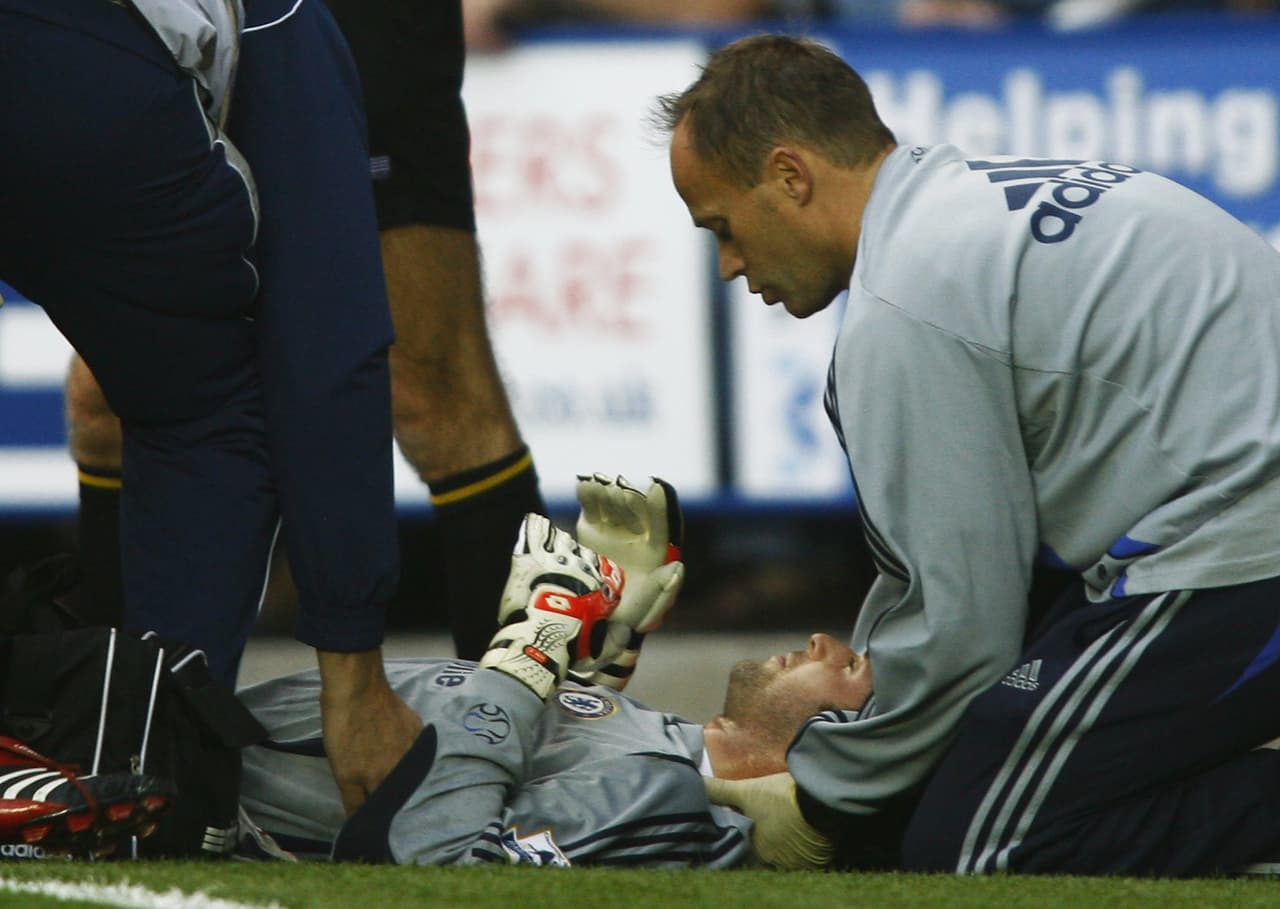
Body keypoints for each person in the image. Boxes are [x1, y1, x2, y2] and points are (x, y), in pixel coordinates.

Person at [656, 33, 1280, 877]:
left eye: (723, 227)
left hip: (1240, 539)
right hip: (1230, 512)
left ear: (791, 176)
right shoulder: (962, 207)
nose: (729, 264)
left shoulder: (906, 303)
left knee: (982, 839)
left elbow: (963, 633)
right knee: (979, 773)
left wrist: (816, 790)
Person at [0, 0, 421, 818]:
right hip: (65, 62)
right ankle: (149, 760)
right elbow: (328, 347)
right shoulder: (288, 23)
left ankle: (127, 742)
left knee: (180, 394)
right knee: (207, 410)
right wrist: (354, 664)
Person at [65, 0, 546, 662]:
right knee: (109, 396)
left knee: (434, 389)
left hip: (360, 19)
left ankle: (531, 723)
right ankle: (104, 732)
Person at [236, 510, 874, 867]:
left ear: (838, 746)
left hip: (202, 780)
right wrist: (600, 648)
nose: (826, 642)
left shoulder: (673, 798)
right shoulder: (671, 755)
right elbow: (548, 781)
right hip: (205, 730)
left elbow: (442, 855)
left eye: (851, 670)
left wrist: (535, 645)